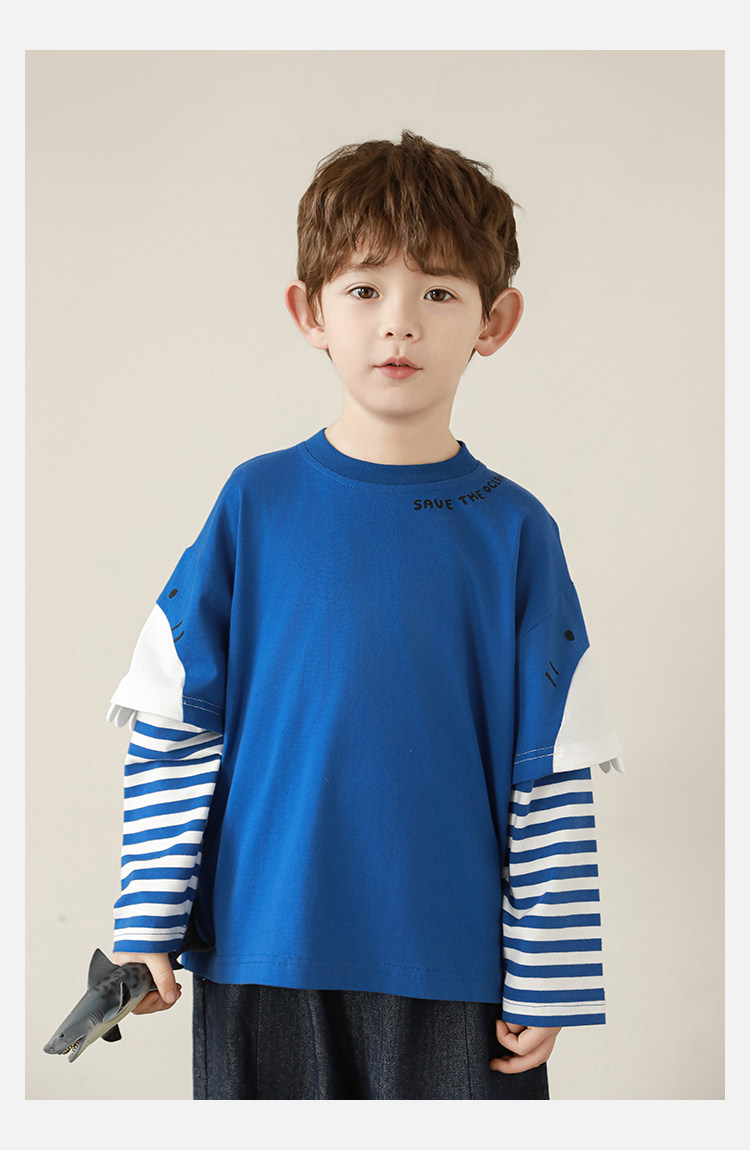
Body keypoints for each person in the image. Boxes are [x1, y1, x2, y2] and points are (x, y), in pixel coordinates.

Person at [107, 130, 623, 1100]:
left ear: (495, 320)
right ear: (310, 311)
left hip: (455, 966)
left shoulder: (517, 532)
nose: (399, 324)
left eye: (439, 293)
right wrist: (147, 920)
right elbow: (176, 717)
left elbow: (552, 764)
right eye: (364, 289)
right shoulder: (254, 505)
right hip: (261, 952)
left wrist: (548, 970)